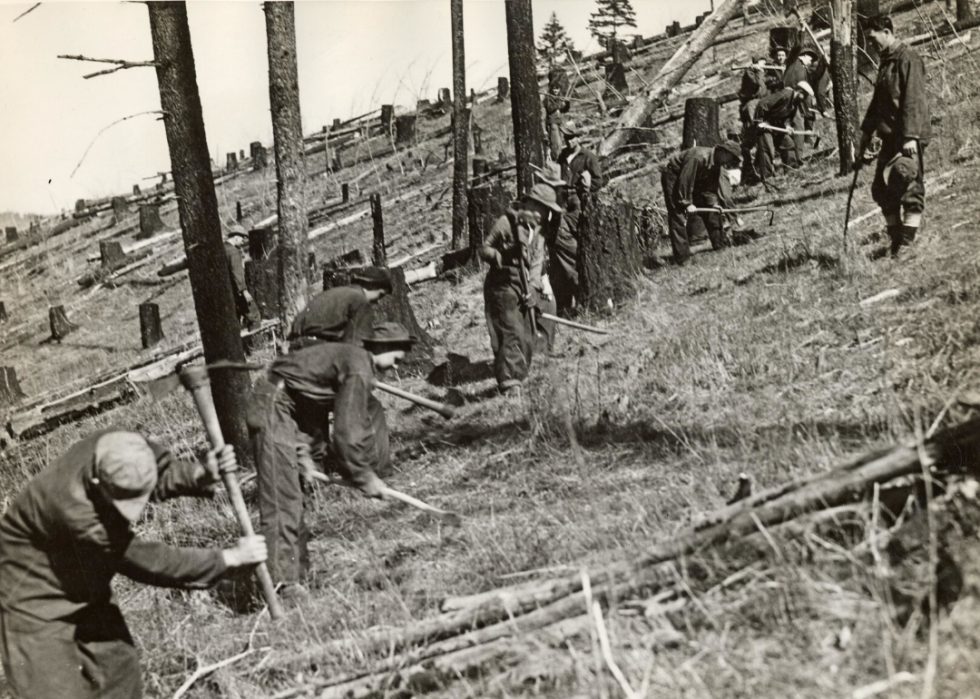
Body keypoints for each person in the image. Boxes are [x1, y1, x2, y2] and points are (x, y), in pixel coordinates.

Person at [0, 430, 266, 699]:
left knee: (119, 670)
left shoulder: (124, 445)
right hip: (31, 595)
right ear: (96, 481)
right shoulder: (72, 508)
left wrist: (201, 475)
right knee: (54, 691)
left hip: (83, 575)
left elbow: (156, 473)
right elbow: (146, 561)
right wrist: (227, 559)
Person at [247, 322, 414, 602]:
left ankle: (297, 575)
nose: (396, 367)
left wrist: (304, 454)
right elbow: (347, 432)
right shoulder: (359, 366)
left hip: (283, 409)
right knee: (282, 499)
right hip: (273, 410)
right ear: (382, 347)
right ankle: (282, 586)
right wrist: (365, 477)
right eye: (396, 358)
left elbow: (305, 396)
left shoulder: (349, 358)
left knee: (294, 497)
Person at [858, 14, 931, 257]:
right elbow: (878, 102)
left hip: (908, 137)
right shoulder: (886, 60)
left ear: (887, 32)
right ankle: (896, 239)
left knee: (909, 186)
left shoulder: (907, 58)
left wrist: (911, 136)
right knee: (881, 189)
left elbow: (913, 100)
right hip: (890, 138)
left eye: (873, 38)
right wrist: (865, 133)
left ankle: (907, 245)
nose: (871, 44)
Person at [479, 184, 563, 394]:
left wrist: (533, 292)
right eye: (539, 209)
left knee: (527, 329)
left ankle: (521, 372)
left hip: (523, 285)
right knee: (510, 329)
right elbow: (483, 249)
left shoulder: (540, 234)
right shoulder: (506, 223)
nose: (542, 215)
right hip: (501, 283)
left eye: (546, 212)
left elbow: (535, 266)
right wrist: (503, 255)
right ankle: (509, 382)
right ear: (528, 204)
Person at [660, 142, 741, 265]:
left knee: (713, 209)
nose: (729, 161)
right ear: (723, 152)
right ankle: (683, 259)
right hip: (674, 176)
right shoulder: (698, 156)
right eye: (730, 157)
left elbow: (710, 188)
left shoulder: (717, 164)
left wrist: (713, 203)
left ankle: (719, 244)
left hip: (691, 179)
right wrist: (686, 203)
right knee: (677, 214)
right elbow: (685, 179)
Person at [288, 266, 392, 350]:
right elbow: (356, 344)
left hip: (295, 349)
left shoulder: (333, 293)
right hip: (318, 352)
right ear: (372, 286)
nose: (377, 301)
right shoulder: (359, 300)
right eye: (380, 295)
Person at [535, 164, 579, 318]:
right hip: (556, 231)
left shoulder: (550, 191)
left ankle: (577, 301)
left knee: (568, 266)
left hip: (558, 231)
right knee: (564, 267)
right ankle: (563, 306)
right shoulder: (552, 191)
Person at [748, 82, 814, 180]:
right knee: (767, 148)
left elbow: (788, 116)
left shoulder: (794, 102)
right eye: (805, 95)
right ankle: (767, 176)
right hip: (764, 123)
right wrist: (760, 121)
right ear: (800, 91)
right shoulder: (785, 95)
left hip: (776, 124)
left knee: (788, 144)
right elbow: (762, 104)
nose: (805, 99)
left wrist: (787, 126)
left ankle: (791, 170)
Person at [556, 122, 604, 211]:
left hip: (578, 198)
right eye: (566, 138)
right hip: (562, 198)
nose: (569, 141)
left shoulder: (588, 156)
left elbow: (598, 181)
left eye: (571, 138)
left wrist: (582, 187)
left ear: (578, 138)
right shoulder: (562, 155)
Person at [737, 56, 769, 183]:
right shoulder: (750, 73)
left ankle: (755, 167)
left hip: (760, 103)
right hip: (751, 104)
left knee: (760, 135)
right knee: (754, 132)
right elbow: (757, 85)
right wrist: (759, 71)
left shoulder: (760, 73)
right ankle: (749, 169)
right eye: (762, 63)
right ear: (756, 63)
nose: (764, 66)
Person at [225, 226, 261, 334]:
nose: (243, 241)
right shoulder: (234, 252)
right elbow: (237, 273)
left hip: (227, 294)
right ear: (236, 237)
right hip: (238, 293)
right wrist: (244, 291)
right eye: (242, 238)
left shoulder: (222, 249)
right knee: (254, 317)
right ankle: (256, 348)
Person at [544, 66, 571, 161]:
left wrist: (567, 103)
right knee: (556, 144)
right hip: (553, 124)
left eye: (557, 89)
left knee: (561, 143)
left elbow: (564, 110)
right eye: (554, 89)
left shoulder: (558, 98)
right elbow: (550, 108)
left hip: (559, 123)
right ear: (551, 89)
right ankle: (556, 160)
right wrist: (559, 102)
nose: (556, 91)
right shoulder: (548, 98)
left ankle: (558, 160)